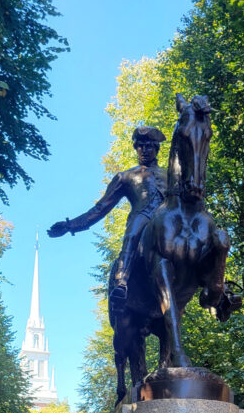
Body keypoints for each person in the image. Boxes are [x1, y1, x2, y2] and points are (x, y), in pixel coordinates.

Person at [48, 126, 167, 312]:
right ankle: (122, 281)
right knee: (133, 234)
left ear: (156, 148)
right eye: (140, 146)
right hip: (143, 215)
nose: (144, 150)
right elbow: (100, 208)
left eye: (149, 146)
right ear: (136, 148)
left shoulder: (171, 175)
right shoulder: (125, 177)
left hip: (169, 220)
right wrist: (70, 225)